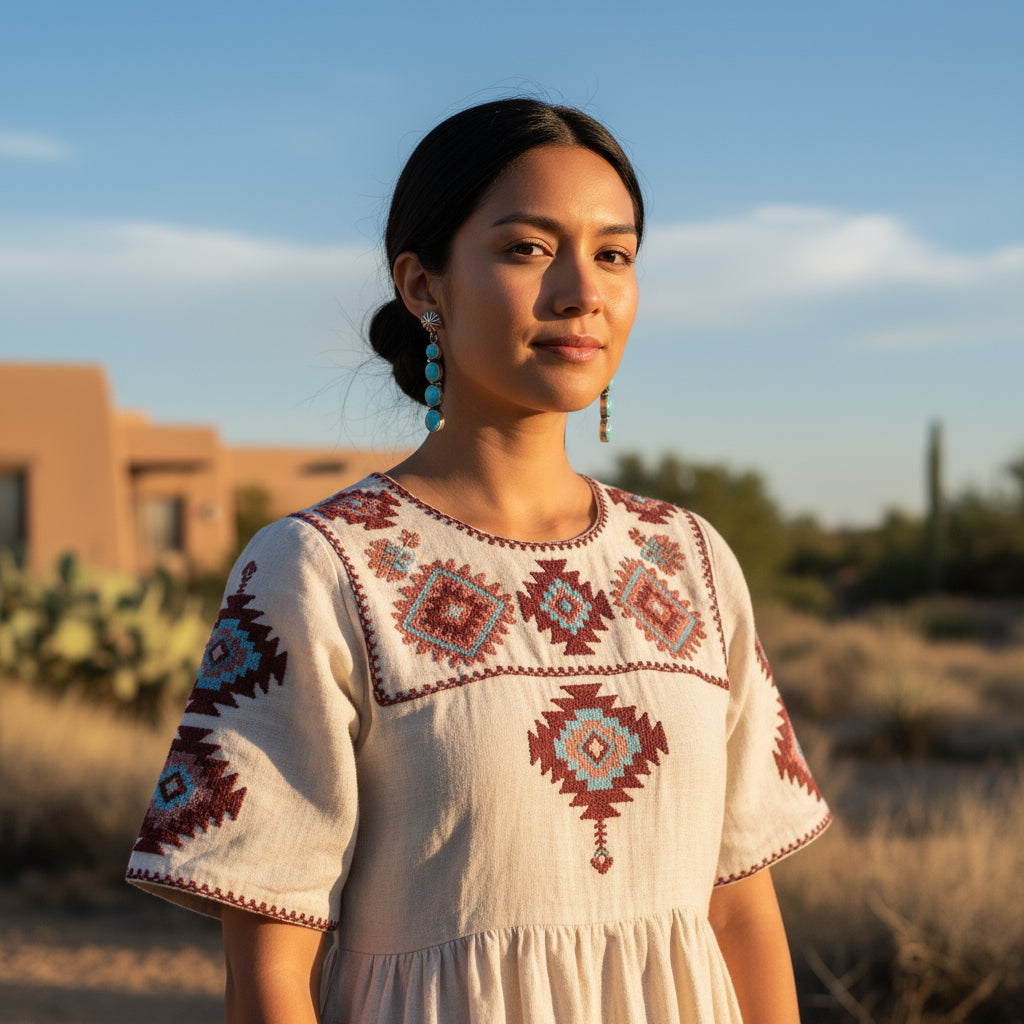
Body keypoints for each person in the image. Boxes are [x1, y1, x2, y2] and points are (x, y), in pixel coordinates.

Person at [127, 97, 831, 1024]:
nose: (582, 290)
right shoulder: (318, 569)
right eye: (527, 249)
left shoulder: (689, 558)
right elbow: (268, 976)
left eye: (613, 254)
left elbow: (740, 905)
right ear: (424, 287)